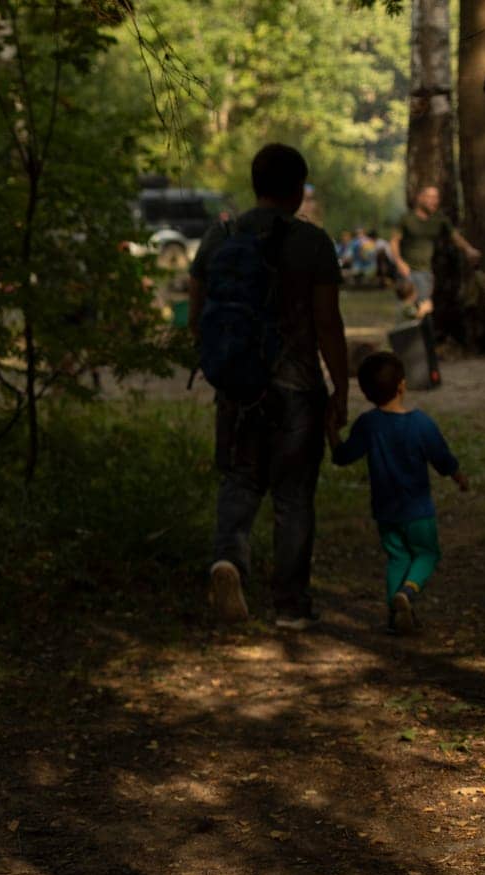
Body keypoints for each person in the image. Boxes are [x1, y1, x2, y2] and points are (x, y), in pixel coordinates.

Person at [189, 143, 350, 629]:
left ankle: (228, 562)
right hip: (297, 389)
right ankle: (290, 606)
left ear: (254, 184)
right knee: (294, 496)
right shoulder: (314, 243)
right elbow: (328, 324)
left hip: (238, 384)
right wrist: (340, 389)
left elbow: (197, 318)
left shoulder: (219, 238)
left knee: (239, 481)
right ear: (299, 189)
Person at [329, 351, 468, 634]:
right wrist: (458, 476)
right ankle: (408, 592)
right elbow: (441, 457)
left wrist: (330, 430)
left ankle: (395, 617)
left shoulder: (368, 425)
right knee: (427, 554)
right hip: (418, 512)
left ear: (367, 394)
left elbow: (342, 456)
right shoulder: (421, 423)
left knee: (397, 558)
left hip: (386, 511)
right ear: (402, 386)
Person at [392, 186, 482, 319]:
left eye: (437, 197)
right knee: (407, 309)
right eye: (431, 197)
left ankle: (421, 338)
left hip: (425, 272)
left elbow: (455, 236)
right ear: (420, 198)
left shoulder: (439, 219)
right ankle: (405, 337)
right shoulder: (407, 219)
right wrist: (399, 262)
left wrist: (468, 249)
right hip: (407, 271)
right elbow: (394, 241)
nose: (435, 201)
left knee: (424, 309)